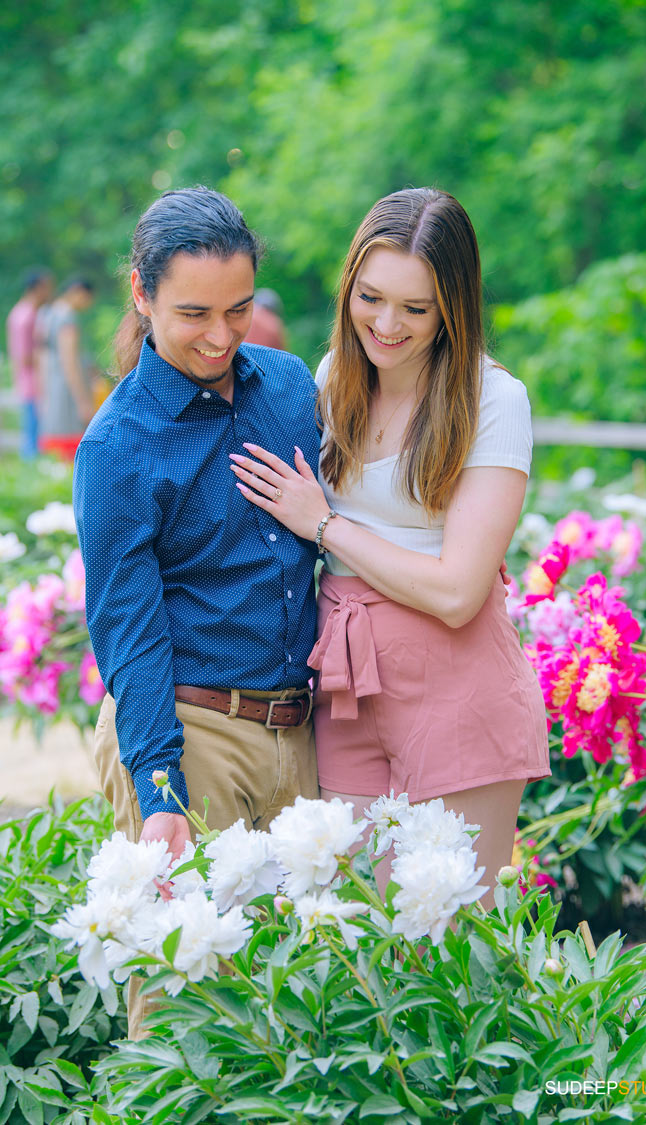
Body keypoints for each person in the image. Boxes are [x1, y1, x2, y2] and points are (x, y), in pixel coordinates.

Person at [230, 187, 550, 890]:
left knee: (451, 937)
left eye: (417, 307)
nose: (387, 324)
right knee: (354, 933)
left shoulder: (494, 400)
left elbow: (460, 590)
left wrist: (325, 522)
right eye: (371, 297)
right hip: (347, 687)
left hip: (458, 686)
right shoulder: (332, 381)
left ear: (453, 308)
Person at [73, 187, 319, 1033]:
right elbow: (129, 634)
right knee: (188, 1004)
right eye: (193, 314)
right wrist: (162, 789)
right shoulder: (117, 447)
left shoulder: (288, 385)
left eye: (239, 309)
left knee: (309, 998)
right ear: (140, 294)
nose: (220, 336)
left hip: (302, 731)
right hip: (193, 730)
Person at [39, 276, 96, 460]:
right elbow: (70, 360)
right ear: (78, 291)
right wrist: (83, 402)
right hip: (68, 390)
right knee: (70, 447)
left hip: (52, 383)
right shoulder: (67, 317)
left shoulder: (48, 313)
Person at [5, 267, 54, 458]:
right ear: (38, 288)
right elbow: (25, 357)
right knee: (33, 437)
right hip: (32, 384)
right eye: (47, 287)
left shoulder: (27, 313)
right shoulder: (25, 316)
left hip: (33, 383)